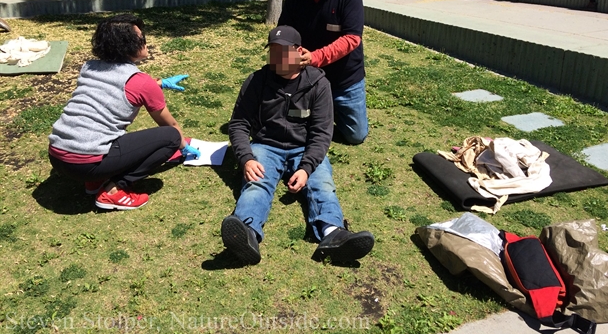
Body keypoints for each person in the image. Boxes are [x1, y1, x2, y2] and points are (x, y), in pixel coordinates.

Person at [221, 25, 375, 266]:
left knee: (322, 184)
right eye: (272, 52)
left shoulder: (318, 84)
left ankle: (333, 234)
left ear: (299, 51)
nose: (277, 58)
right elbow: (239, 123)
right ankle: (246, 232)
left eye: (283, 52)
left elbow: (322, 133)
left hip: (304, 147)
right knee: (256, 184)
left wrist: (306, 167)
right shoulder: (256, 81)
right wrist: (246, 158)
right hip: (266, 145)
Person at [48, 14, 200, 211]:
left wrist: (159, 84)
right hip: (87, 163)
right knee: (171, 137)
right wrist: (182, 146)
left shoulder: (89, 67)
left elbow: (115, 87)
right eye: (141, 38)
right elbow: (170, 126)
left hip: (57, 156)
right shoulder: (141, 81)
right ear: (126, 45)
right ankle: (115, 189)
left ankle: (95, 180)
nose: (146, 42)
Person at [278, 0, 368, 145]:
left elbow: (352, 39)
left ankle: (328, 112)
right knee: (295, 127)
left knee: (356, 136)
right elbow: (284, 34)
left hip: (345, 79)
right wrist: (290, 52)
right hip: (307, 78)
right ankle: (321, 115)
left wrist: (315, 57)